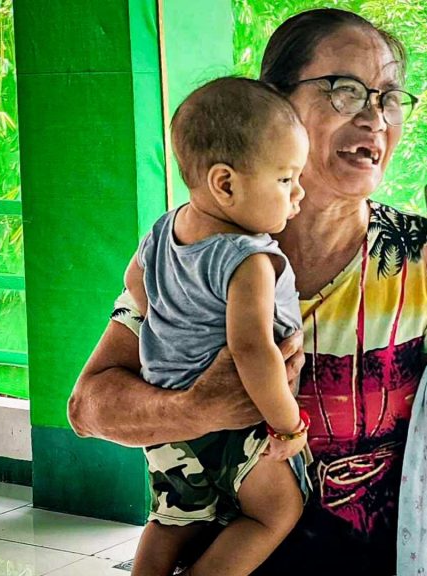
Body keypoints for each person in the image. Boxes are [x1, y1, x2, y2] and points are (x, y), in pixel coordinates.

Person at [69, 8, 427, 575]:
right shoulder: (194, 249)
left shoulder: (417, 256)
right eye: (346, 91)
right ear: (276, 103)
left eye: (389, 98)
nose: (375, 118)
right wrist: (194, 408)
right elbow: (88, 409)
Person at [124, 77, 311, 576]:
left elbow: (135, 283)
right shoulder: (248, 258)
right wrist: (288, 424)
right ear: (225, 183)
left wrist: (168, 328)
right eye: (286, 179)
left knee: (171, 518)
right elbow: (251, 351)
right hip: (233, 427)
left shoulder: (165, 228)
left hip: (166, 417)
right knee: (276, 511)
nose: (299, 193)